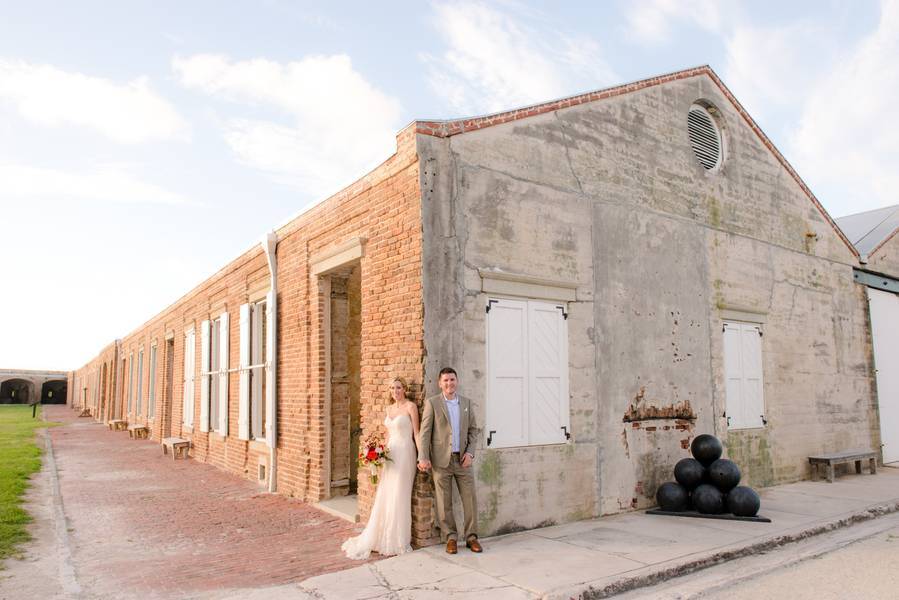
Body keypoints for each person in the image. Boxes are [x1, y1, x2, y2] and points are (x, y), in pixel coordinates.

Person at [341, 377, 420, 559]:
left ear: (405, 389)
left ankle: (397, 539)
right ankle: (381, 535)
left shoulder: (410, 407)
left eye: (398, 387)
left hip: (405, 453)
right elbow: (387, 436)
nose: (395, 391)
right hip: (390, 455)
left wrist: (421, 456)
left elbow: (416, 433)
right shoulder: (389, 409)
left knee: (400, 493)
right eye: (392, 388)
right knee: (386, 494)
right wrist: (378, 456)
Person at [418, 367, 483, 554]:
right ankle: (451, 538)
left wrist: (470, 453)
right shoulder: (432, 404)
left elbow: (473, 431)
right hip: (441, 462)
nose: (449, 383)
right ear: (440, 383)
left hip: (463, 461)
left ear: (457, 381)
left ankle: (472, 538)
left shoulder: (467, 403)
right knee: (443, 502)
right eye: (445, 380)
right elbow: (425, 433)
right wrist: (423, 456)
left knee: (470, 500)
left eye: (452, 380)